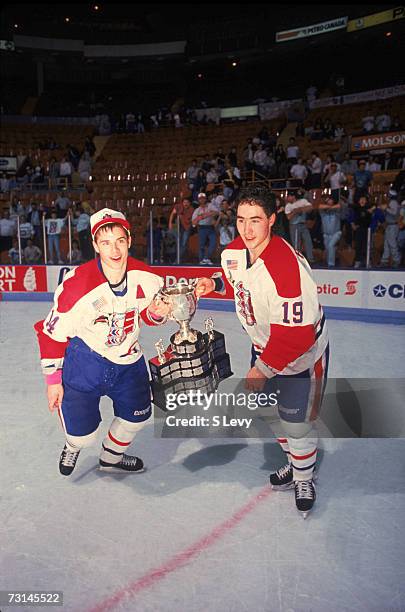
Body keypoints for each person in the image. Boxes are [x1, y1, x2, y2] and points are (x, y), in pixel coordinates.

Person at [195, 186, 329, 518]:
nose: (247, 229)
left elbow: (297, 336)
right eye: (241, 220)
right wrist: (213, 283)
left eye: (256, 220)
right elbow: (235, 280)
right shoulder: (235, 252)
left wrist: (262, 369)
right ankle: (295, 463)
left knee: (296, 424)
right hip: (265, 350)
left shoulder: (286, 268)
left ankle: (303, 476)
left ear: (271, 220)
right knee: (271, 415)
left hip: (301, 356)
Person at [34, 208, 172, 476]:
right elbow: (50, 334)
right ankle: (73, 445)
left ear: (129, 240)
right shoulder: (77, 286)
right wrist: (53, 382)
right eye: (106, 242)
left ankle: (111, 457)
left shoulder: (148, 277)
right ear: (96, 245)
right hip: (86, 361)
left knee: (137, 418)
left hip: (129, 362)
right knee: (82, 436)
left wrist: (155, 314)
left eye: (120, 240)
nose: (115, 249)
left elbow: (147, 316)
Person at [191, 192, 218, 265]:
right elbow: (193, 222)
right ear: (198, 200)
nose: (202, 200)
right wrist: (199, 218)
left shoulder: (210, 206)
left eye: (203, 198)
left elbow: (217, 212)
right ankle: (201, 260)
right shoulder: (197, 210)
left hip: (210, 227)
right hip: (202, 228)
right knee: (201, 245)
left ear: (205, 199)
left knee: (213, 243)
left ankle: (206, 258)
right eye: (200, 199)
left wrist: (205, 215)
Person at [318, 197, 342, 267]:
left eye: (331, 201)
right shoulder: (323, 213)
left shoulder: (337, 212)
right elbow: (319, 206)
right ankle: (330, 262)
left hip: (336, 233)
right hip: (326, 235)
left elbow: (339, 206)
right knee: (328, 249)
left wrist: (330, 208)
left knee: (331, 246)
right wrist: (329, 207)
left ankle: (331, 265)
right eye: (328, 201)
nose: (329, 202)